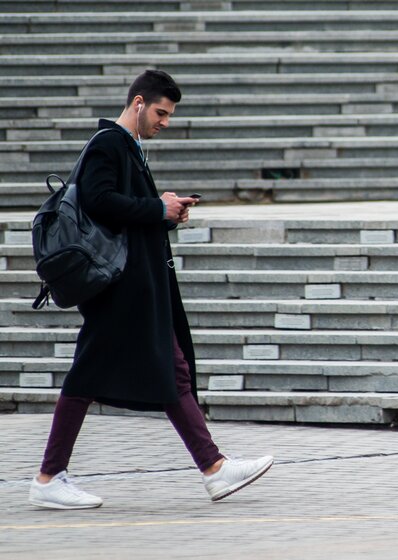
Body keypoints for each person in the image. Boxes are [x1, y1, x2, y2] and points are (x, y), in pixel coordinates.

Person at [29, 70, 274, 510]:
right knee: (96, 374)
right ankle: (50, 476)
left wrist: (164, 210)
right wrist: (157, 206)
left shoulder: (129, 148)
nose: (165, 122)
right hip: (120, 289)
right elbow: (98, 201)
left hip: (133, 287)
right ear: (138, 103)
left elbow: (124, 209)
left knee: (171, 369)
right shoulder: (110, 144)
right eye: (161, 112)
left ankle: (214, 468)